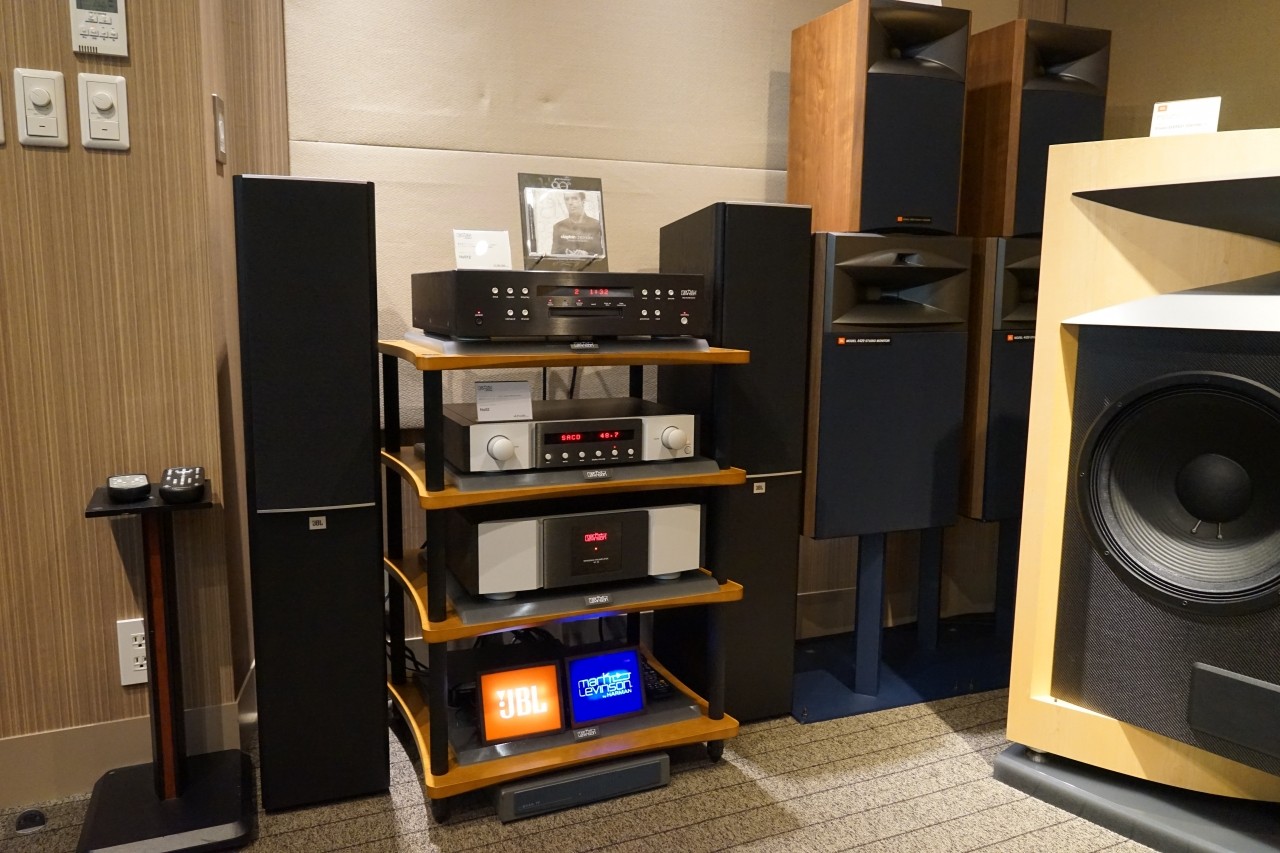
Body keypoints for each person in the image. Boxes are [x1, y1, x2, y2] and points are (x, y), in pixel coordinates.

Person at [550, 191, 604, 257]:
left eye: (574, 198)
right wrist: (566, 253)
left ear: (583, 201)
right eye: (567, 199)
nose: (570, 203)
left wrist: (587, 254)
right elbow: (554, 254)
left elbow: (602, 253)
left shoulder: (596, 225)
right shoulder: (558, 227)